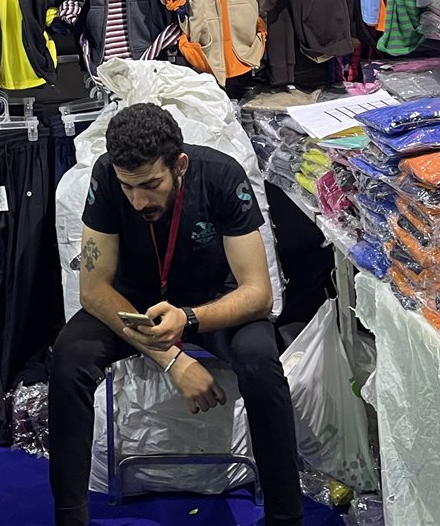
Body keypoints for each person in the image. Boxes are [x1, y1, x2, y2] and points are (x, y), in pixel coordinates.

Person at [49, 103, 303, 526]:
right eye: (128, 187)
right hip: (135, 304)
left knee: (260, 361)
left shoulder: (222, 175)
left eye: (151, 184)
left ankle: (286, 518)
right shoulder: (106, 177)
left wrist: (188, 319)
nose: (138, 200)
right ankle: (69, 519)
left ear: (179, 165)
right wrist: (173, 360)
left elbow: (259, 295)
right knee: (68, 357)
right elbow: (93, 291)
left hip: (211, 301)